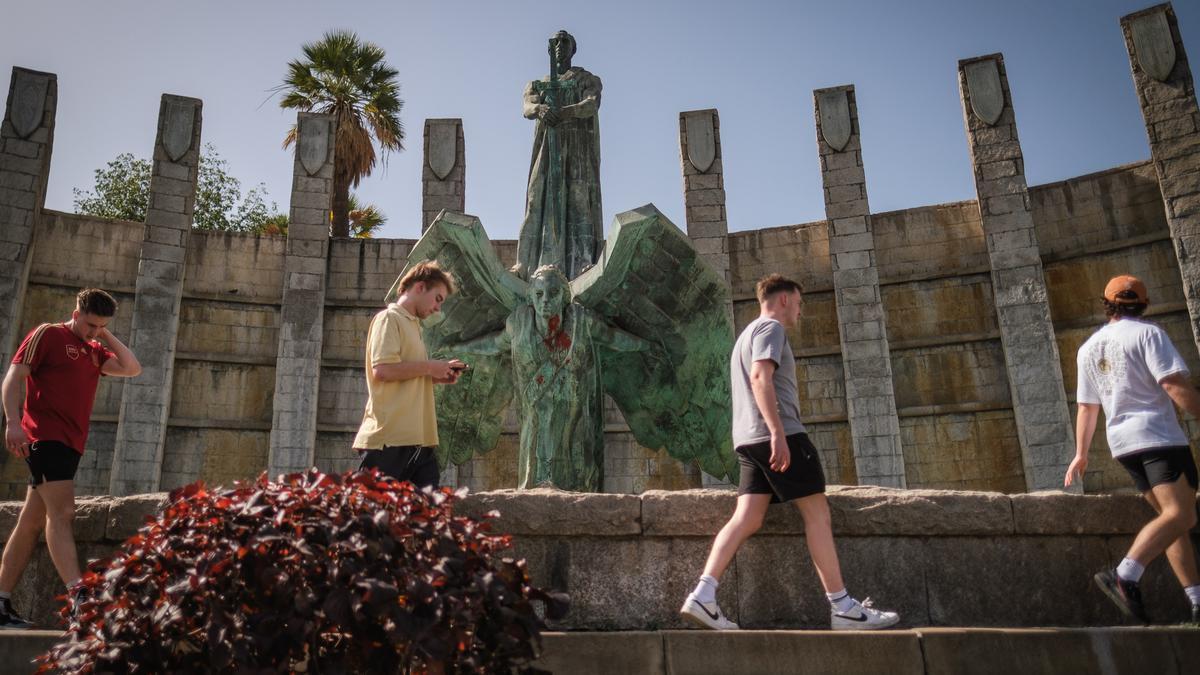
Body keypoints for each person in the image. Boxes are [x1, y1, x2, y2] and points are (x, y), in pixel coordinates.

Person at [679, 274, 900, 631]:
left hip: (748, 440)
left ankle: (703, 595)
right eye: (798, 303)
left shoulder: (744, 336)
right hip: (778, 436)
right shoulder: (771, 330)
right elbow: (760, 378)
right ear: (784, 300)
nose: (799, 310)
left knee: (747, 518)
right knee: (818, 515)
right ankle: (842, 607)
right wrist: (778, 432)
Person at [0, 288, 141, 629]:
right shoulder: (48, 333)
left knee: (32, 521)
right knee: (62, 512)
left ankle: (0, 600)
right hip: (43, 437)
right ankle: (79, 597)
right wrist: (13, 423)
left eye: (101, 327)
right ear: (76, 313)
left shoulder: (93, 351)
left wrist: (103, 333)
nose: (94, 332)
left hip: (71, 443)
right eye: (90, 324)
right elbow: (13, 377)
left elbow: (132, 368)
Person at [1067, 274, 1200, 624]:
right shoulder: (1149, 334)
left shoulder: (1088, 348)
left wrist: (1081, 453)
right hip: (1158, 437)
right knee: (1182, 515)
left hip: (1123, 446)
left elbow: (1086, 407)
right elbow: (1172, 384)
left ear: (1107, 303)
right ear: (1143, 303)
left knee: (1171, 522)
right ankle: (1125, 574)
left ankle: (1196, 600)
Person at [353, 261, 464, 488]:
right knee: (370, 519)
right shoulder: (389, 319)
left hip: (420, 444)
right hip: (389, 442)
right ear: (420, 287)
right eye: (438, 299)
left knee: (429, 517)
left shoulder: (414, 327)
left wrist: (436, 376)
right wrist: (429, 367)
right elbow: (382, 370)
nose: (438, 309)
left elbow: (405, 374)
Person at [515, 29, 603, 281]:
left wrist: (562, 113)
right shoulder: (538, 84)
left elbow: (590, 105)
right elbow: (527, 107)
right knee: (535, 198)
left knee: (579, 200)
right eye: (555, 41)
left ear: (572, 49)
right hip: (547, 148)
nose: (559, 45)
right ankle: (523, 264)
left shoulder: (586, 79)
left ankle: (585, 262)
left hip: (576, 147)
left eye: (565, 41)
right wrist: (541, 109)